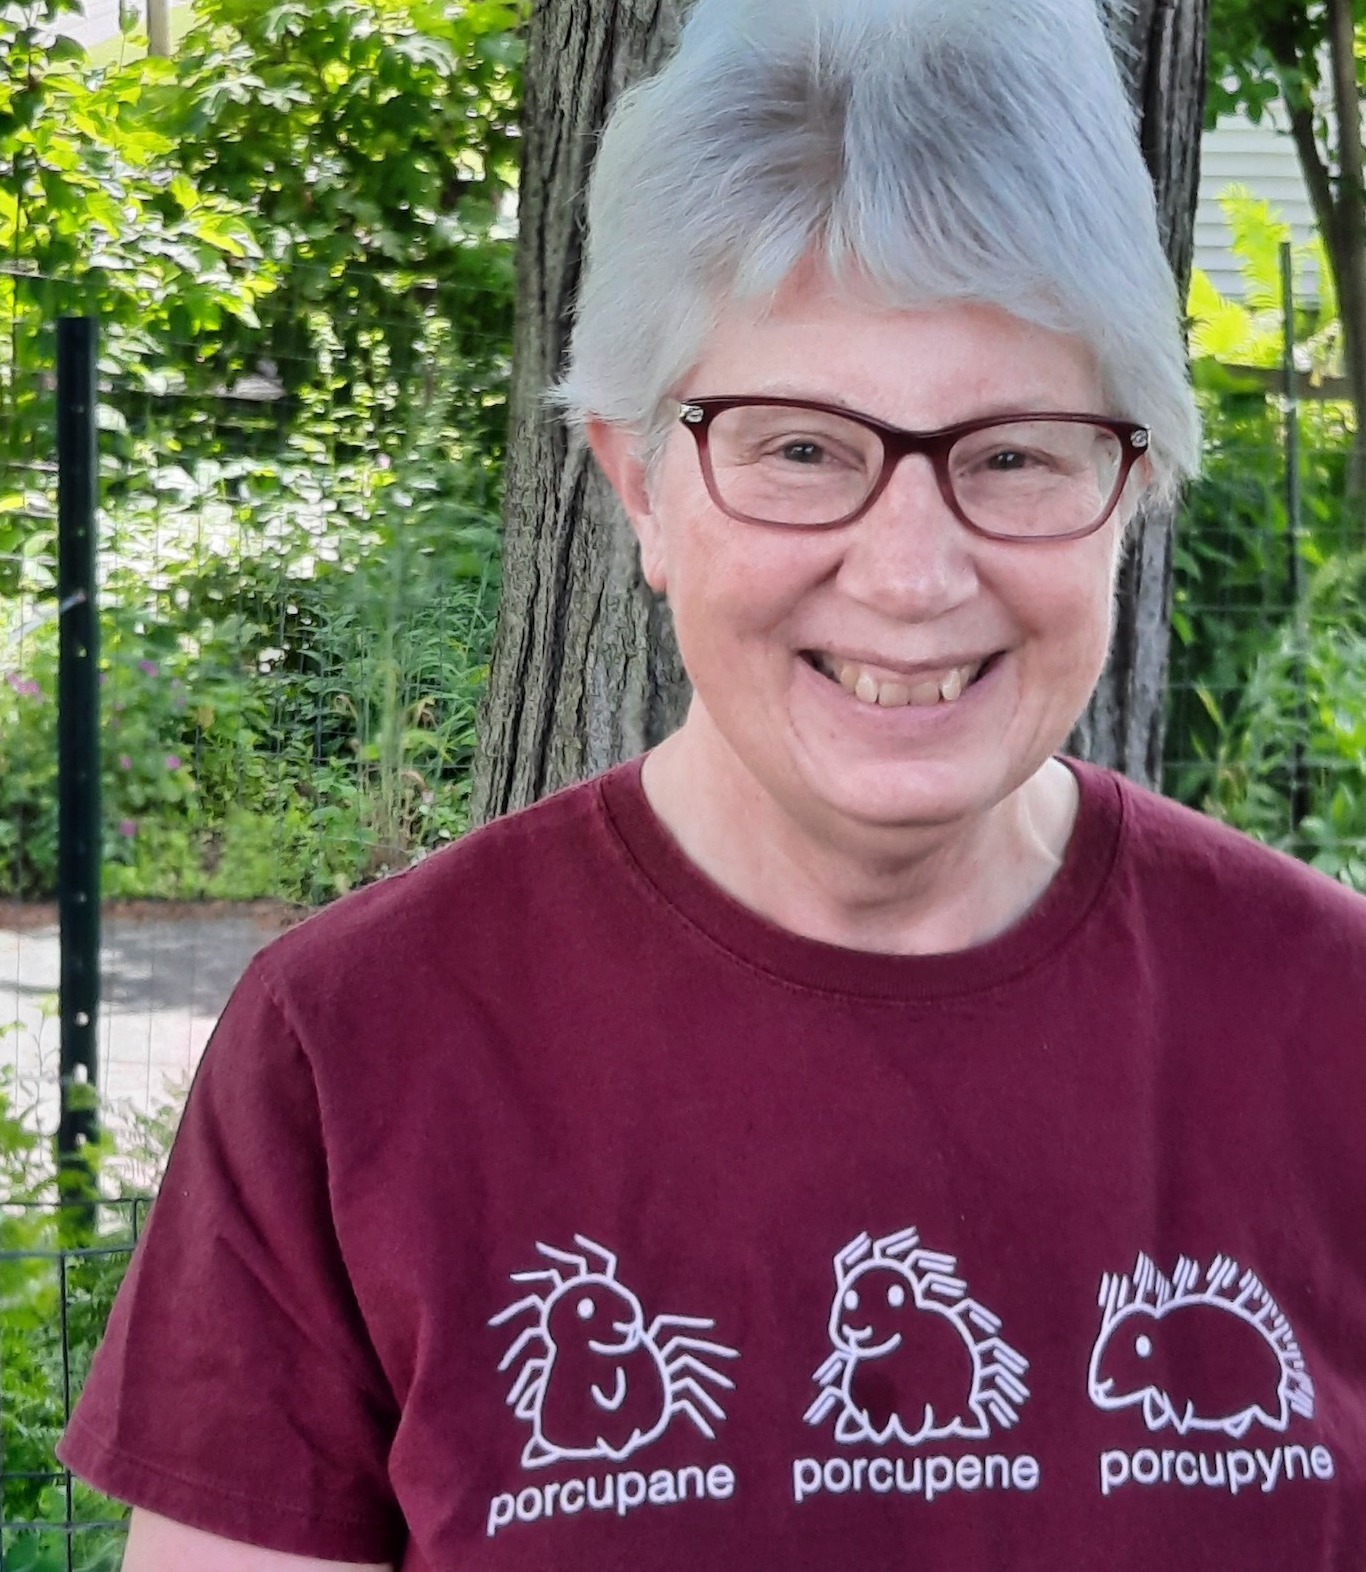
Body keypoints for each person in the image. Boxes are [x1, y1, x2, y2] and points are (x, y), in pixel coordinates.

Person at [60, 0, 1366, 1566]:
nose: (907, 574)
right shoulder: (353, 1052)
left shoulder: (1325, 1021)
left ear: (1128, 491)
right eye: (799, 448)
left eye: (1018, 452)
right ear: (639, 488)